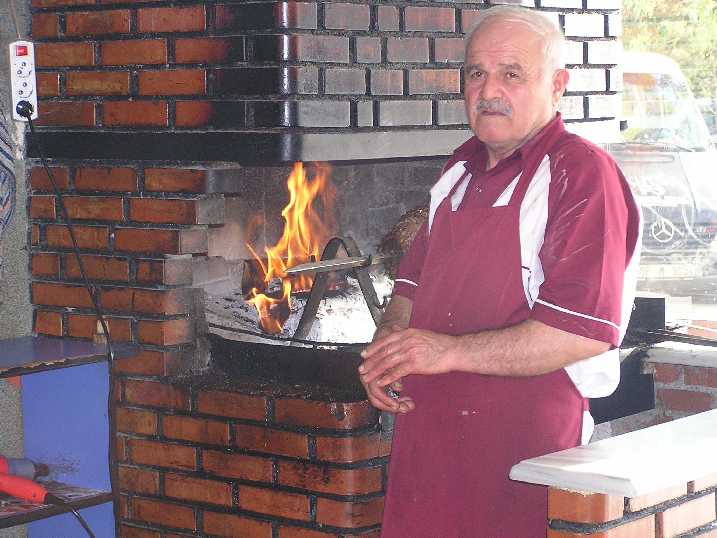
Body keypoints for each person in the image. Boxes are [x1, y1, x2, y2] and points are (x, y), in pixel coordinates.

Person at [358, 6, 642, 537]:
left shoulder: (580, 173)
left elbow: (580, 332)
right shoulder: (459, 170)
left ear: (557, 86)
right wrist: (389, 350)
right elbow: (410, 288)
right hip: (429, 442)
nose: (489, 91)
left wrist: (446, 352)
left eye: (512, 74)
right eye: (476, 73)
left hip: (523, 452)